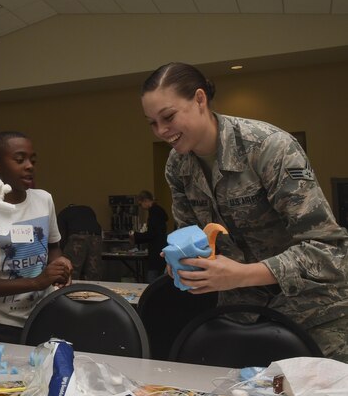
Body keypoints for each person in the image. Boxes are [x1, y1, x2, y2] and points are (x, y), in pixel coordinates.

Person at [140, 62, 348, 362]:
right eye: (152, 123)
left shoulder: (268, 147)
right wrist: (182, 263)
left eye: (168, 117)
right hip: (244, 319)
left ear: (200, 99)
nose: (162, 131)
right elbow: (192, 238)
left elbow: (329, 251)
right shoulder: (177, 166)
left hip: (316, 317)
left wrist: (241, 275)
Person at [0, 131, 73, 344]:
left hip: (45, 315)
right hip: (1, 325)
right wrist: (36, 282)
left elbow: (54, 246)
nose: (29, 165)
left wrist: (60, 265)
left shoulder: (44, 199)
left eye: (33, 160)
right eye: (20, 160)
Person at [129, 190, 168, 283]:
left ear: (146, 200)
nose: (141, 207)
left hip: (156, 250)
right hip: (161, 247)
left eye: (140, 204)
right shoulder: (159, 211)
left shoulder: (154, 212)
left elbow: (152, 234)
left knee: (152, 280)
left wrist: (135, 235)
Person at [57, 204, 103, 280]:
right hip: (95, 237)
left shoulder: (63, 213)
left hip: (77, 238)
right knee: (93, 270)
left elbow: (61, 234)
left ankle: (70, 290)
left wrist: (62, 251)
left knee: (72, 270)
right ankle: (93, 290)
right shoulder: (88, 209)